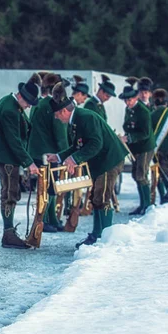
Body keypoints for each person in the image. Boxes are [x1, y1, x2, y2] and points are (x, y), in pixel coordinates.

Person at [46, 82, 127, 248]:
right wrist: (60, 157)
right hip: (100, 162)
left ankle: (104, 239)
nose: (56, 118)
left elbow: (95, 143)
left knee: (102, 198)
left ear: (63, 111)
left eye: (56, 114)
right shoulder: (76, 120)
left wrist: (74, 160)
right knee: (96, 198)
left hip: (109, 160)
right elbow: (78, 146)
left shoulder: (85, 117)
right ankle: (97, 235)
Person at [0, 74, 41, 249]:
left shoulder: (10, 103)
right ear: (21, 96)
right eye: (29, 102)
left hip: (6, 155)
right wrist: (28, 162)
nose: (30, 106)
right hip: (6, 157)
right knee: (9, 193)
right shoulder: (10, 109)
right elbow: (13, 140)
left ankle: (9, 231)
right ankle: (8, 233)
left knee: (12, 191)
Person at [27, 72, 67, 233]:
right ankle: (44, 220)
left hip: (37, 152)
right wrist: (65, 153)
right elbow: (60, 132)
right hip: (49, 153)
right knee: (49, 188)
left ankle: (52, 219)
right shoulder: (52, 104)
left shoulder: (38, 103)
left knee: (47, 187)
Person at [121, 79, 155, 215]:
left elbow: (145, 133)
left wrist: (129, 138)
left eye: (130, 100)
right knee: (136, 175)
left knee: (141, 174)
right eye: (125, 100)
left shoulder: (143, 111)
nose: (127, 102)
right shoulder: (129, 109)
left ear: (136, 98)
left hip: (145, 147)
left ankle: (147, 206)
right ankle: (142, 204)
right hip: (135, 147)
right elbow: (127, 125)